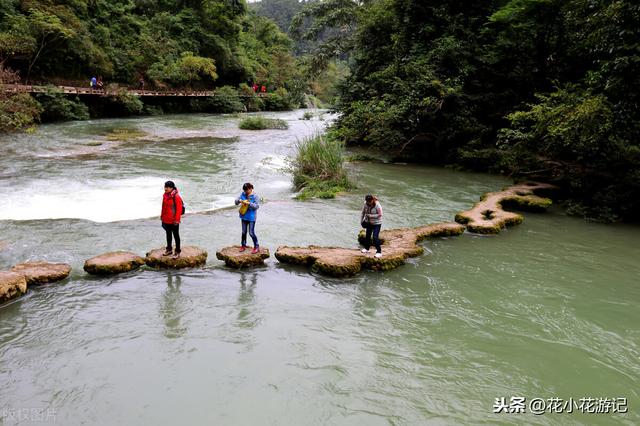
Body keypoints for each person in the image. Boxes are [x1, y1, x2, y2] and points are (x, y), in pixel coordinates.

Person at [234, 182, 260, 254]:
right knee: (243, 232)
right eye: (244, 190)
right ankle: (243, 245)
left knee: (251, 233)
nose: (245, 192)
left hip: (251, 217)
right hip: (244, 216)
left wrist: (249, 203)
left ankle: (256, 247)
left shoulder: (255, 196)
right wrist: (238, 201)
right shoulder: (243, 194)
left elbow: (257, 206)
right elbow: (235, 202)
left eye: (247, 190)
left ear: (251, 188)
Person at [161, 181, 183, 258]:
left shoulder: (176, 197)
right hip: (166, 219)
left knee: (176, 235)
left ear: (172, 188)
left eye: (167, 187)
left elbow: (179, 210)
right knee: (168, 235)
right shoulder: (165, 196)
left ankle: (177, 251)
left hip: (174, 220)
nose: (165, 188)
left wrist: (177, 220)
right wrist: (162, 217)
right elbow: (163, 208)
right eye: (165, 187)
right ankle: (169, 249)